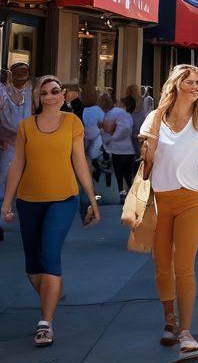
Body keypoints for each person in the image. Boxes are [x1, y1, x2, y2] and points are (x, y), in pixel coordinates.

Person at [1, 75, 100, 348]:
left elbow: (80, 162)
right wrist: (6, 203)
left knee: (49, 254)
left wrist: (91, 199)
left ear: (63, 95)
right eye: (44, 92)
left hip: (63, 199)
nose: (51, 96)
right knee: (33, 266)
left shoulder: (72, 122)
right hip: (28, 201)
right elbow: (16, 166)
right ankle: (52, 293)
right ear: (38, 98)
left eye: (55, 91)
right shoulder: (25, 126)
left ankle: (45, 322)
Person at [140, 65, 198, 361]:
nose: (197, 86)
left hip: (192, 199)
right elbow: (146, 164)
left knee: (184, 264)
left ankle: (187, 332)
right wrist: (148, 146)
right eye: (190, 82)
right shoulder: (155, 118)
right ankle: (169, 321)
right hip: (159, 199)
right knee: (162, 264)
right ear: (176, 85)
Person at [0, 61, 33, 194]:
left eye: (25, 73)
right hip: (7, 143)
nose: (22, 76)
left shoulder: (30, 92)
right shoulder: (3, 91)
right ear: (11, 75)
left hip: (26, 143)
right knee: (4, 176)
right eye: (19, 73)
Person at [101, 91, 138, 202]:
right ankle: (126, 195)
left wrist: (112, 137)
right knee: (125, 176)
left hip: (121, 151)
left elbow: (123, 129)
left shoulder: (116, 113)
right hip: (126, 150)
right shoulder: (122, 114)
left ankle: (124, 195)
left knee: (121, 176)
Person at [80, 86, 106, 186]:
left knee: (84, 157)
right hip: (95, 137)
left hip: (84, 137)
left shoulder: (81, 109)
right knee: (92, 156)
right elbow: (103, 122)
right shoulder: (97, 109)